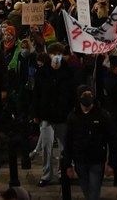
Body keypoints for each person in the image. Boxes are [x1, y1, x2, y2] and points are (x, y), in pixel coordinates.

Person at [31, 43, 75, 187]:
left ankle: (62, 174)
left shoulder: (69, 72)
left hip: (63, 116)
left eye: (59, 53)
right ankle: (46, 175)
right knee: (46, 147)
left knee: (63, 148)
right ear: (49, 55)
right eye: (53, 53)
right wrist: (36, 114)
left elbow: (72, 95)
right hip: (47, 116)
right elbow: (36, 94)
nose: (56, 56)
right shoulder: (42, 73)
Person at [61, 85, 115, 200]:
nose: (87, 97)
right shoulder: (73, 116)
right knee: (87, 192)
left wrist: (111, 163)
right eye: (84, 95)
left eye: (89, 95)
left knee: (94, 193)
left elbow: (111, 139)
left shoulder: (102, 115)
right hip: (80, 161)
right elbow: (68, 141)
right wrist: (68, 165)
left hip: (97, 161)